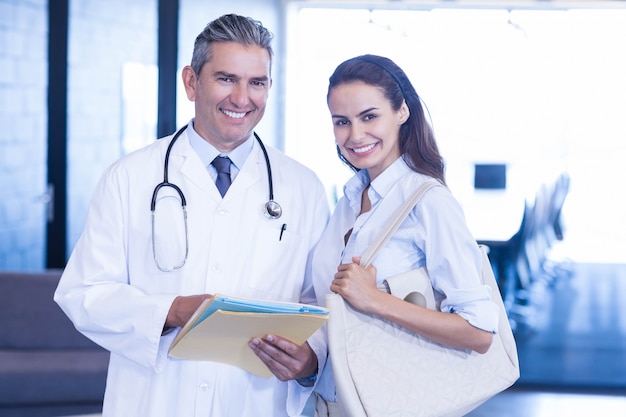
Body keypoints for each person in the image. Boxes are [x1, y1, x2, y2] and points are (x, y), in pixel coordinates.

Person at [54, 14, 329, 417]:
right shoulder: (129, 177)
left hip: (254, 401)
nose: (242, 98)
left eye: (257, 82)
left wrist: (310, 360)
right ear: (190, 82)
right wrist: (173, 310)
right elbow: (83, 293)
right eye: (226, 78)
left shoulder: (303, 187)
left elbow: (319, 303)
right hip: (156, 400)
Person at [311, 54, 500, 413]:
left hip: (392, 401)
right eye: (341, 122)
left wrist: (377, 300)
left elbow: (479, 332)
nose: (355, 135)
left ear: (402, 112)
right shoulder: (349, 200)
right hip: (335, 401)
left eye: (369, 117)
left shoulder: (429, 203)